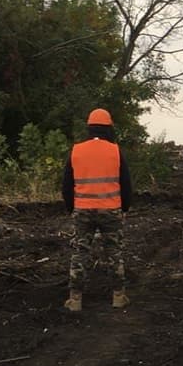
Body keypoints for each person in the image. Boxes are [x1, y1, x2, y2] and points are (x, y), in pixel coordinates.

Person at [61, 108, 133, 311]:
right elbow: (126, 184)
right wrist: (124, 208)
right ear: (109, 127)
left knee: (80, 253)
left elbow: (67, 185)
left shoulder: (76, 150)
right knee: (114, 253)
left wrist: (71, 208)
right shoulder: (115, 151)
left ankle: (75, 300)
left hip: (83, 211)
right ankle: (118, 297)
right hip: (111, 210)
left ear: (89, 127)